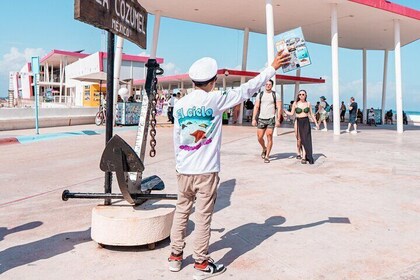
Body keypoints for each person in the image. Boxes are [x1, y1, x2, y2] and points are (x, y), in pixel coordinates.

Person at [168, 51, 290, 279]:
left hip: (183, 169)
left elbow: (177, 138)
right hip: (206, 170)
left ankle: (175, 257)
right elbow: (248, 89)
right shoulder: (215, 100)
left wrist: (178, 164)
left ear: (193, 81)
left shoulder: (180, 105)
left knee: (181, 211)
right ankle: (201, 264)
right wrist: (271, 68)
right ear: (213, 81)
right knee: (203, 216)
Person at [252, 79, 282, 163]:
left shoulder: (276, 95)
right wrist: (254, 118)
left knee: (269, 136)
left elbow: (279, 108)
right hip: (261, 118)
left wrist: (278, 119)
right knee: (259, 137)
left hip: (271, 118)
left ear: (272, 85)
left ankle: (267, 156)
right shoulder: (260, 95)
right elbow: (256, 107)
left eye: (269, 84)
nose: (268, 85)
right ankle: (264, 148)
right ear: (264, 85)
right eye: (266, 84)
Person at [285, 90, 318, 164]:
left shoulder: (308, 103)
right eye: (300, 94)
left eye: (303, 94)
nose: (301, 96)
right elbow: (292, 113)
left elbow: (311, 114)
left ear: (306, 95)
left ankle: (304, 156)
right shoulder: (295, 103)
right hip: (298, 121)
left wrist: (316, 123)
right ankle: (298, 152)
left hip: (306, 121)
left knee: (305, 139)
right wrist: (285, 111)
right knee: (299, 139)